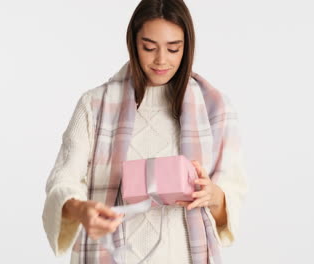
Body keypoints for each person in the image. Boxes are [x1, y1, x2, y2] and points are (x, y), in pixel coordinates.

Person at [42, 0, 248, 263]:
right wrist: (81, 209)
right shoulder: (94, 105)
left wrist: (213, 196)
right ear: (132, 43)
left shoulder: (216, 109)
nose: (161, 60)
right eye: (149, 47)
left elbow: (230, 206)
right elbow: (62, 181)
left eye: (174, 49)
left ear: (187, 47)